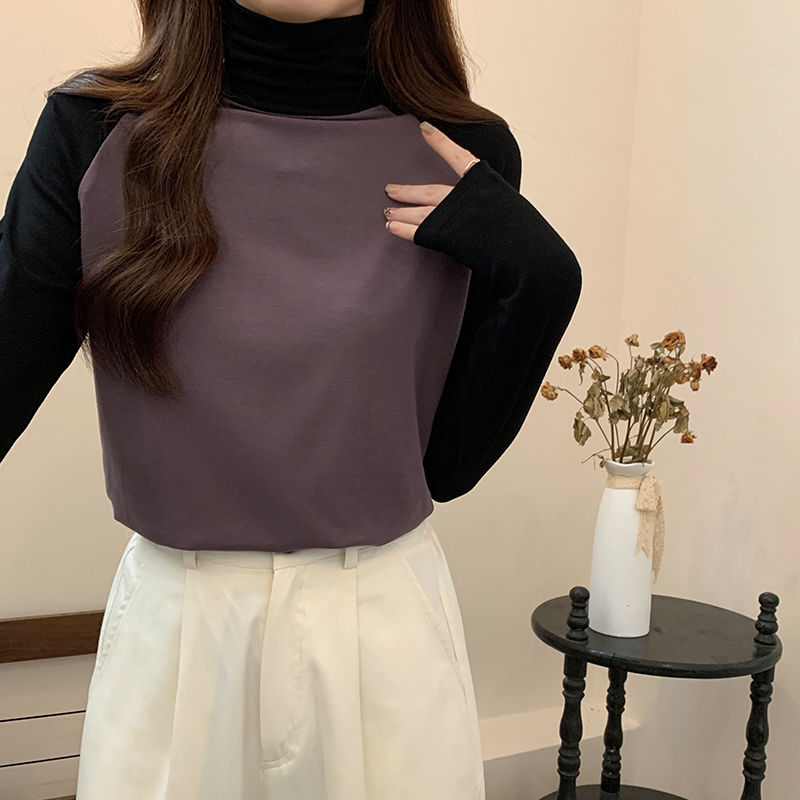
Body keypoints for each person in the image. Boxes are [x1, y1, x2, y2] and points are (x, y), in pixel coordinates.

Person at [0, 0, 583, 798]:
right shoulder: (93, 131)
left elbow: (444, 467)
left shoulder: (463, 150)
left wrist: (541, 282)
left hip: (382, 631)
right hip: (179, 635)